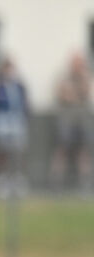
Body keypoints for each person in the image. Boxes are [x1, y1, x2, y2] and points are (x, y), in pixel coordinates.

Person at [49, 52, 92, 191]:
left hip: (82, 120)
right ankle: (56, 183)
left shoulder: (85, 76)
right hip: (66, 120)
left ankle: (85, 184)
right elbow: (64, 95)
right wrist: (72, 94)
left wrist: (76, 90)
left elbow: (85, 92)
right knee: (62, 150)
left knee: (83, 151)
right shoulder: (64, 77)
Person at [0, 56, 30, 198]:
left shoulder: (19, 86)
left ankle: (17, 177)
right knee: (2, 150)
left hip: (16, 119)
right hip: (2, 120)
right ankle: (2, 178)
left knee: (18, 149)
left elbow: (25, 103)